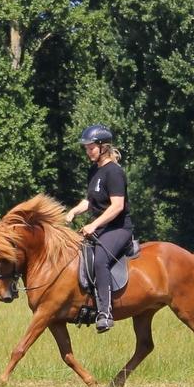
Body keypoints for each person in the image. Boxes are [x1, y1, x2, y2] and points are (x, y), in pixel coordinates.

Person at [64, 124, 133, 333]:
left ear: (103, 147)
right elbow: (90, 201)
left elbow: (117, 206)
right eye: (86, 148)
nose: (88, 151)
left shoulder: (114, 172)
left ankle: (105, 312)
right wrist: (74, 211)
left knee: (101, 259)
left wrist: (93, 224)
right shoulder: (94, 170)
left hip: (119, 228)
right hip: (101, 228)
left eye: (91, 147)